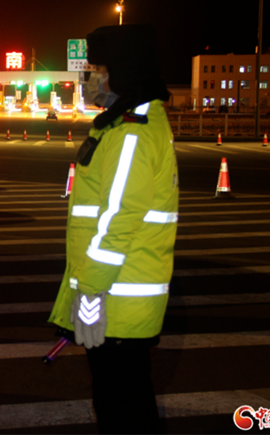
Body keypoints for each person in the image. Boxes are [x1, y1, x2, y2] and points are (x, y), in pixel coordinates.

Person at [47, 24, 178, 434]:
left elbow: (120, 218)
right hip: (120, 292)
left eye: (98, 69)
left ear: (123, 72)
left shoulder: (131, 133)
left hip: (115, 296)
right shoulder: (125, 125)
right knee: (127, 398)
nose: (92, 78)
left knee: (121, 404)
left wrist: (90, 292)